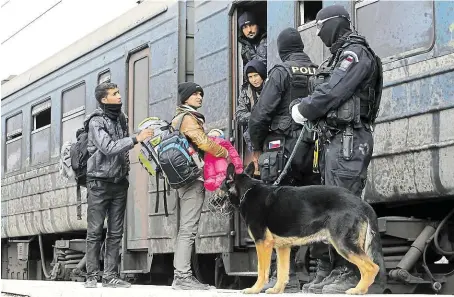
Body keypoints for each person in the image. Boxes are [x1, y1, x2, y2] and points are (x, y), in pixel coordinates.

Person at [290, 4, 383, 294]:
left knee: (344, 207)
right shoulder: (341, 55)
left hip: (349, 141)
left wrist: (304, 109)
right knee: (334, 207)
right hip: (337, 141)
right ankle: (338, 269)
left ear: (335, 24)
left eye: (320, 28)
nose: (318, 35)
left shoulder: (355, 54)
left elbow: (334, 90)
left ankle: (351, 273)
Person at [248, 27, 321, 293]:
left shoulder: (280, 72)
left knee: (278, 214)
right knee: (309, 212)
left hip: (282, 150)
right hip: (312, 149)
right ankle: (311, 273)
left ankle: (282, 278)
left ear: (281, 49)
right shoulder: (317, 69)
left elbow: (260, 114)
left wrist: (256, 147)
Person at [84, 82, 153, 288]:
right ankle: (91, 276)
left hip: (119, 182)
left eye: (118, 92)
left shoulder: (121, 118)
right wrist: (135, 139)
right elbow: (107, 147)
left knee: (116, 232)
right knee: (95, 231)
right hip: (98, 182)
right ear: (104, 99)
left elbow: (122, 148)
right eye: (114, 94)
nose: (119, 96)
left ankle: (110, 276)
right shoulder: (96, 122)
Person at [171, 82, 230, 290]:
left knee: (186, 227)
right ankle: (182, 276)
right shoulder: (188, 118)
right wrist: (224, 152)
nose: (199, 97)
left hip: (184, 177)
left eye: (200, 94)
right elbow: (202, 142)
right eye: (195, 94)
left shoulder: (180, 117)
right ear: (185, 98)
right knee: (189, 227)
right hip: (192, 178)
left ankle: (182, 274)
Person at [235, 59, 267, 153]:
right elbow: (239, 115)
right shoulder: (246, 91)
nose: (254, 80)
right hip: (255, 131)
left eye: (256, 75)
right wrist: (256, 116)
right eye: (250, 77)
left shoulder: (271, 85)